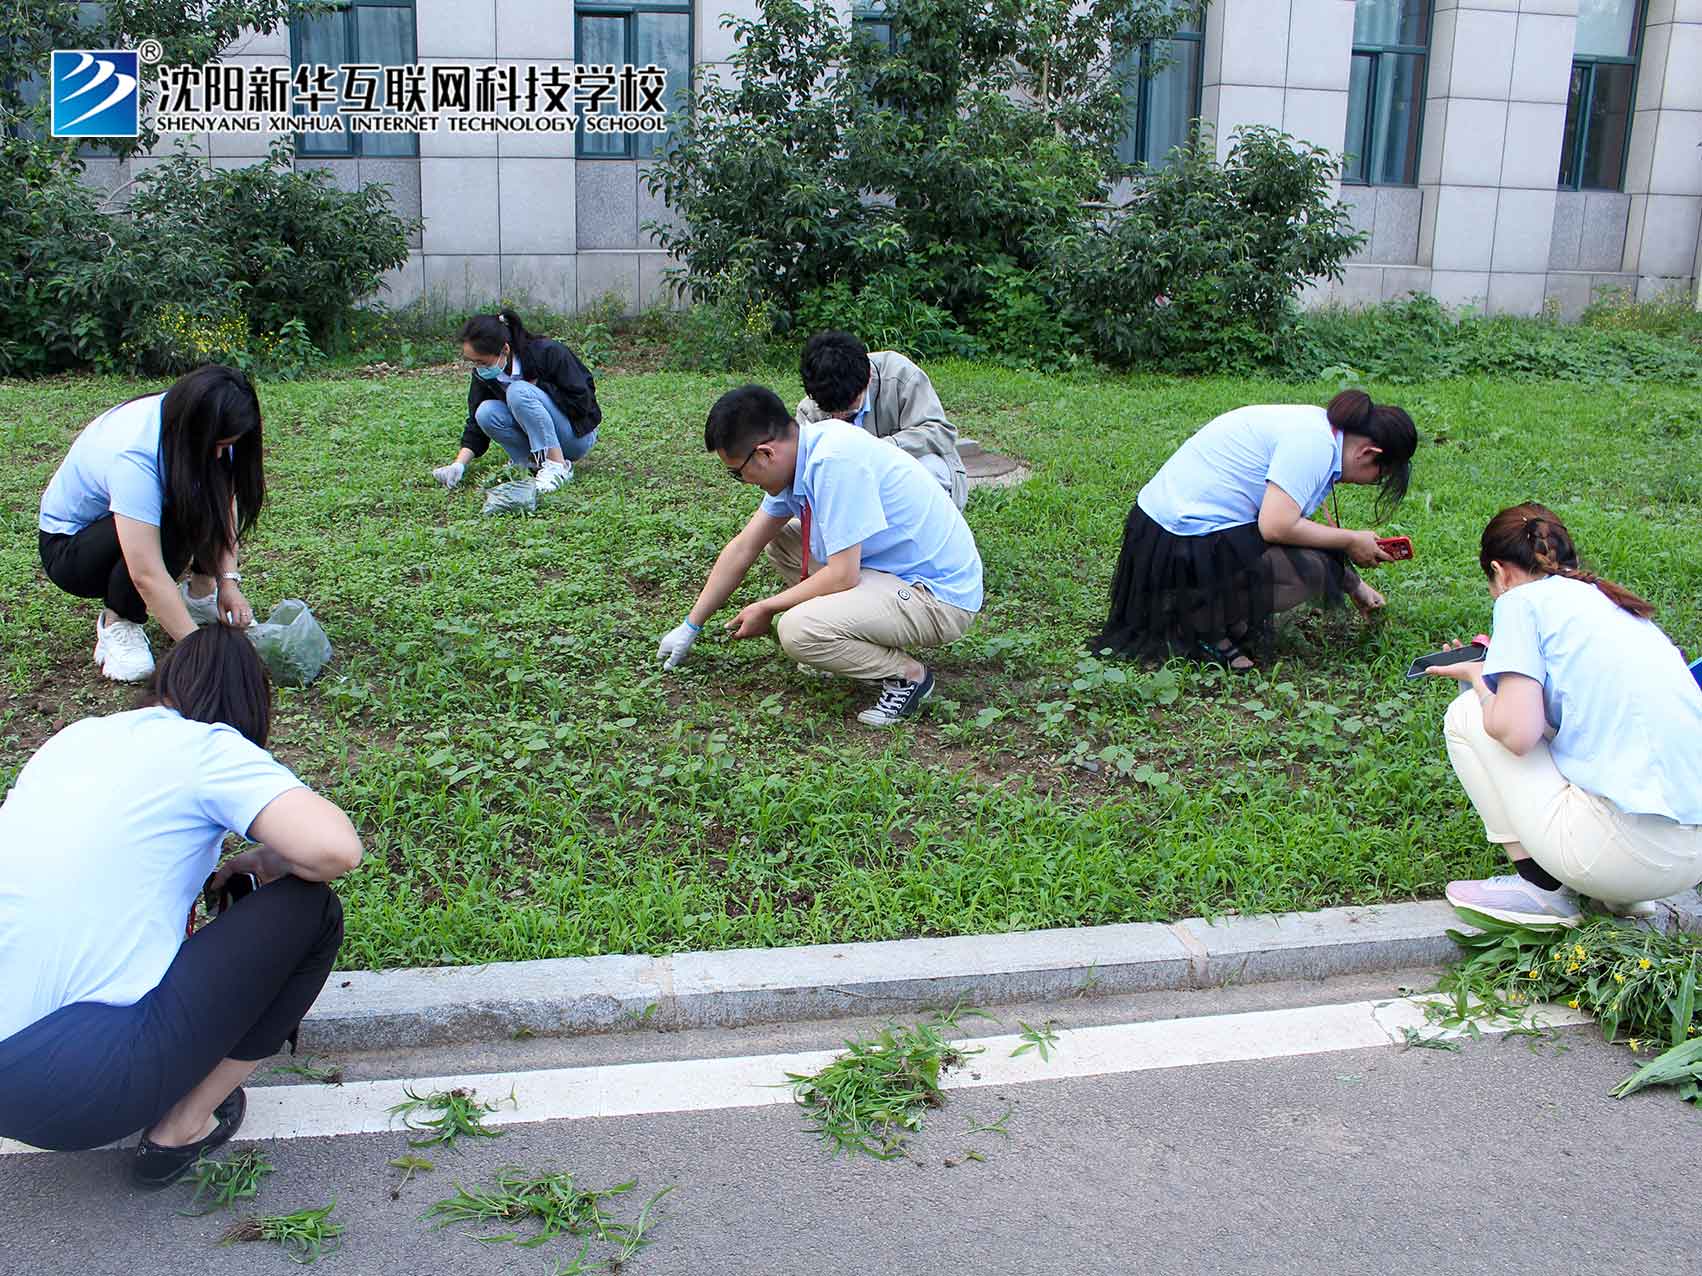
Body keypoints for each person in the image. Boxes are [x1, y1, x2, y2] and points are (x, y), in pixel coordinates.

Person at [0, 625, 361, 1183]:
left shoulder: (74, 739)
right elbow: (334, 849)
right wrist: (265, 862)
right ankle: (182, 1128)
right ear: (246, 703)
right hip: (76, 1087)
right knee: (312, 912)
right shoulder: (208, 746)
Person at [1428, 504, 1702, 926]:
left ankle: (1541, 889)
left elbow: (1519, 733)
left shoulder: (1519, 603)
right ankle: (1625, 898)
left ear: (1500, 572)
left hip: (1622, 856)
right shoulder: (1609, 600)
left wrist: (1479, 678)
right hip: (1691, 861)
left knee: (1467, 714)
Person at [656, 385, 983, 727]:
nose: (742, 480)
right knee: (782, 539)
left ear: (765, 454)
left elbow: (843, 575)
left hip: (935, 597)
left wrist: (767, 607)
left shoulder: (834, 462)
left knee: (798, 629)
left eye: (737, 472)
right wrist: (690, 626)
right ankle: (837, 634)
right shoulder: (805, 452)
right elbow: (744, 546)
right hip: (885, 572)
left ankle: (908, 676)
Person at [1090, 390, 1418, 670]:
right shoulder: (1313, 445)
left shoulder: (1320, 428)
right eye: (1379, 477)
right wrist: (1349, 540)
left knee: (1309, 556)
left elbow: (1293, 528)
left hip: (1164, 527)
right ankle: (1192, 622)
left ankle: (1208, 610)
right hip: (1183, 536)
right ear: (1368, 454)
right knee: (1309, 572)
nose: (1371, 484)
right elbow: (1277, 526)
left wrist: (1354, 584)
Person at [38, 365, 264, 684]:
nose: (220, 454)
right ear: (194, 429)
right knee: (173, 518)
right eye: (217, 444)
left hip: (130, 522)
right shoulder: (134, 456)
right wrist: (201, 655)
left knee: (194, 492)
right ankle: (118, 621)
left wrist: (228, 583)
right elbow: (147, 573)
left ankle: (201, 593)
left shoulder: (201, 421)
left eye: (227, 445)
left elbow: (222, 501)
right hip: (70, 549)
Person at [431, 309, 601, 495]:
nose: (478, 368)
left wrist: (539, 387)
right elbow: (475, 423)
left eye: (483, 362)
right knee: (485, 411)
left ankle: (557, 466)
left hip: (576, 436)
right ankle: (530, 463)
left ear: (505, 349)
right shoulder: (485, 375)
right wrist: (458, 465)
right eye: (474, 363)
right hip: (538, 435)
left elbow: (582, 402)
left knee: (517, 391)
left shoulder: (548, 352)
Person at [797, 331, 968, 511]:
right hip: (856, 493)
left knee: (930, 469)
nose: (840, 417)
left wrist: (879, 450)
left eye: (849, 408)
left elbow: (940, 431)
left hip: (908, 474)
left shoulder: (900, 375)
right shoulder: (810, 408)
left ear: (868, 379)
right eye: (831, 411)